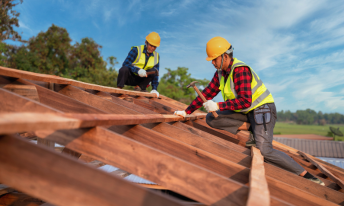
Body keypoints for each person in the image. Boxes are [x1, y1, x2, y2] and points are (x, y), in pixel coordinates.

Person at [174, 36, 324, 185]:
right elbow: (206, 94)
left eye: (214, 59)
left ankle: (308, 176)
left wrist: (219, 105)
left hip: (263, 110)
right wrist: (187, 111)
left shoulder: (240, 70)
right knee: (211, 118)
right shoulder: (220, 73)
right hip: (247, 113)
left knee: (265, 150)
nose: (212, 63)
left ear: (225, 56)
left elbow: (246, 101)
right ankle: (253, 128)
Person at [117, 32, 160, 97]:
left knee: (154, 71)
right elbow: (126, 63)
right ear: (146, 42)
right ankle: (119, 89)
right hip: (129, 78)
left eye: (155, 46)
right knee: (123, 69)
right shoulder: (136, 50)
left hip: (141, 81)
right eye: (151, 45)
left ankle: (139, 88)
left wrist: (154, 89)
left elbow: (156, 74)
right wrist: (138, 70)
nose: (152, 48)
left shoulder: (156, 56)